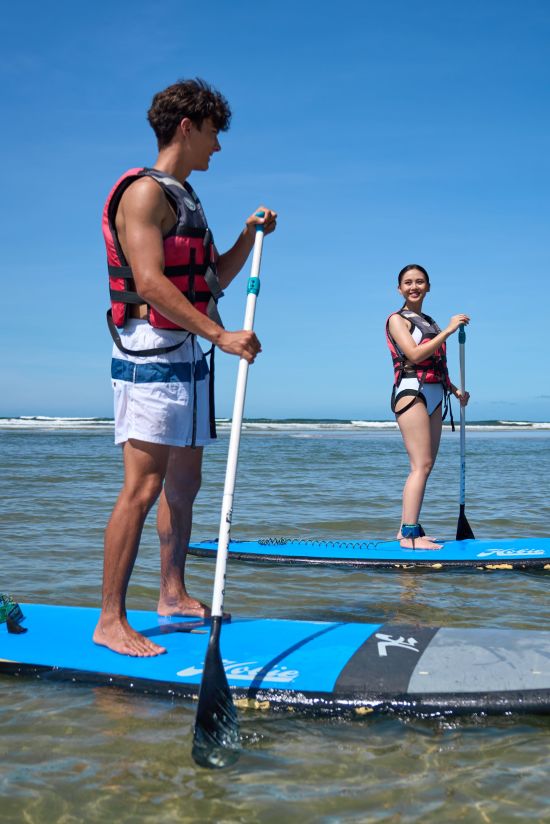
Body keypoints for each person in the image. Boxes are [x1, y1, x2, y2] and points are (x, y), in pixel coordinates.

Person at [94, 79, 277, 657]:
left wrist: (249, 235)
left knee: (185, 485)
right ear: (187, 127)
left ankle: (171, 594)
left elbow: (212, 278)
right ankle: (109, 620)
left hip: (191, 355)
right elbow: (149, 282)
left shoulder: (187, 197)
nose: (218, 147)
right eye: (214, 134)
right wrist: (222, 334)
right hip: (151, 352)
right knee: (141, 487)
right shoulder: (144, 195)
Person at [386, 264, 469, 550]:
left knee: (427, 465)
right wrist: (448, 330)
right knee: (419, 465)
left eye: (419, 282)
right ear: (399, 288)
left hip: (436, 394)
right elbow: (415, 353)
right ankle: (409, 536)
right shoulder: (397, 320)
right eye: (407, 282)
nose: (413, 286)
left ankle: (406, 528)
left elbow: (437, 365)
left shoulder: (429, 322)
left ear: (428, 287)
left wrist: (455, 390)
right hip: (413, 393)